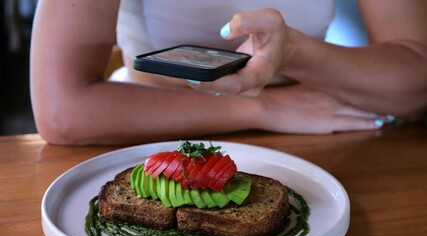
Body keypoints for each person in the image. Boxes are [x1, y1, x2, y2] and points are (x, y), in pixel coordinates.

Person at [30, 0, 427, 145]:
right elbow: (62, 110)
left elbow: (416, 83)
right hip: (148, 134)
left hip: (311, 138)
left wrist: (292, 52)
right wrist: (263, 108)